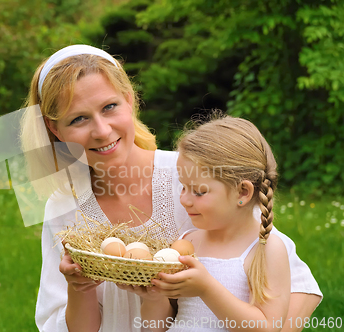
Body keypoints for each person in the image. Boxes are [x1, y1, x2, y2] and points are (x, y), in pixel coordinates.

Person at [21, 45, 322, 332]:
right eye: (78, 119)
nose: (101, 131)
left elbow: (299, 286)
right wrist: (78, 287)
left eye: (109, 107)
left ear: (129, 100)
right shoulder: (65, 205)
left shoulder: (193, 176)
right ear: (55, 129)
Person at [140, 116, 313, 331]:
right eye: (183, 187)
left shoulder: (266, 249)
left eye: (199, 191)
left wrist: (206, 289)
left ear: (243, 192)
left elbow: (268, 327)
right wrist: (154, 298)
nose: (184, 199)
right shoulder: (187, 241)